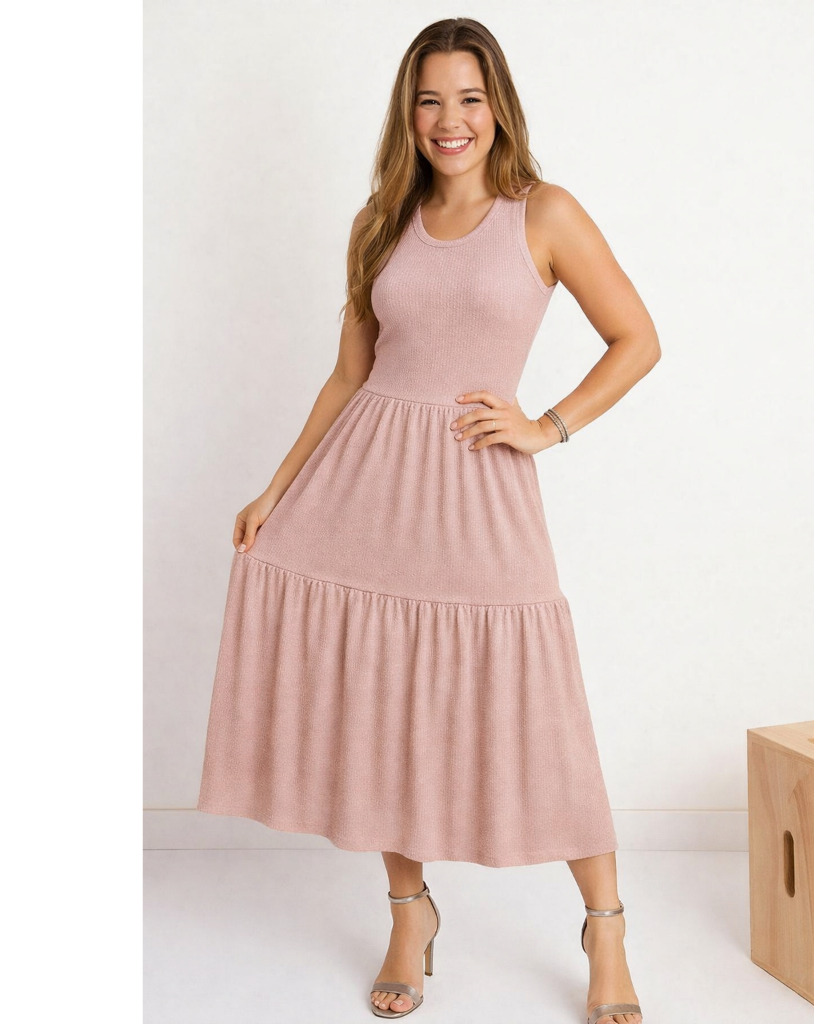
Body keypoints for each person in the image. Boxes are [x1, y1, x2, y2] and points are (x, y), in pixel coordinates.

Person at [197, 17, 660, 1024]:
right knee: (386, 701)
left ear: (499, 107)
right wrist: (276, 489)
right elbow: (350, 374)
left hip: (481, 493)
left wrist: (546, 426)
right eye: (429, 99)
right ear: (407, 115)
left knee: (542, 705)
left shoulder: (544, 213)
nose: (451, 120)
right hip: (367, 492)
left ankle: (607, 928)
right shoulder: (380, 220)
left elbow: (637, 338)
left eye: (469, 98)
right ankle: (409, 915)